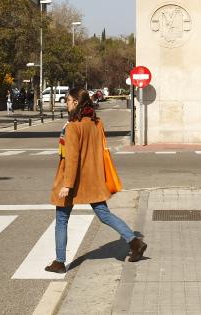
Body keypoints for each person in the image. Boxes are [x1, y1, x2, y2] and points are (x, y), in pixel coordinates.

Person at [45, 88, 147, 274]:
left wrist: (67, 184)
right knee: (103, 213)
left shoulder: (73, 126)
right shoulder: (96, 122)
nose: (66, 103)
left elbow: (72, 157)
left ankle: (59, 262)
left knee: (61, 218)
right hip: (92, 177)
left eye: (68, 100)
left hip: (73, 178)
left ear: (76, 102)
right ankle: (135, 242)